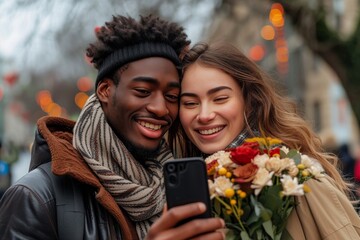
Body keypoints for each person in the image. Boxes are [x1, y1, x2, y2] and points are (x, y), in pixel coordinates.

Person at [0, 15, 225, 240]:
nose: (161, 108)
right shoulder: (36, 197)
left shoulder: (178, 185)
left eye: (172, 96)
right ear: (105, 91)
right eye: (143, 92)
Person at [169, 42, 360, 239]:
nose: (204, 115)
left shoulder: (293, 176)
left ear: (249, 102)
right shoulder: (185, 187)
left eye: (220, 98)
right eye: (190, 103)